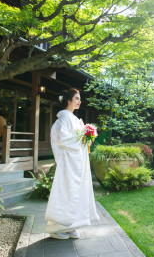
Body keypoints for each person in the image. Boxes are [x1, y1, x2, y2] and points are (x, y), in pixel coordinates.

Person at [45, 88, 99, 240]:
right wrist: (83, 134)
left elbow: (78, 140)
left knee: (77, 192)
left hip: (77, 163)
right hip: (68, 163)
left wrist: (87, 135)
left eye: (79, 98)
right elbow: (63, 140)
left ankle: (71, 225)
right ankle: (56, 227)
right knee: (66, 192)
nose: (79, 101)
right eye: (76, 98)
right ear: (68, 100)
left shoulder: (74, 119)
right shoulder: (63, 119)